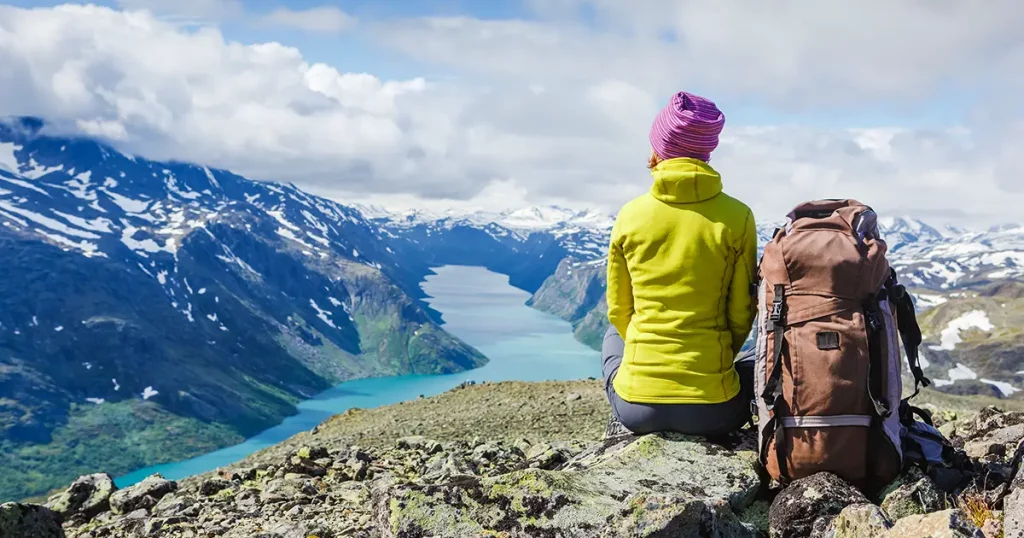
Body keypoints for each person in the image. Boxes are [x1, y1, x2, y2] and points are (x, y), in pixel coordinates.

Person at [602, 90, 758, 437]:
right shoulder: (738, 217)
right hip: (713, 410)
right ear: (707, 151)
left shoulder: (630, 215)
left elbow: (618, 310)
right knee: (756, 359)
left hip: (635, 407)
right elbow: (741, 315)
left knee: (613, 334)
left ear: (658, 148)